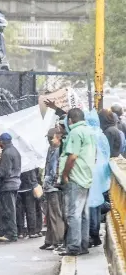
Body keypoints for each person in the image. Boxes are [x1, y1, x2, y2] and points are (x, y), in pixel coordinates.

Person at [58, 108, 96, 256]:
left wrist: (65, 175)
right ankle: (83, 245)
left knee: (74, 214)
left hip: (76, 177)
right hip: (87, 176)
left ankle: (74, 247)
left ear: (70, 120)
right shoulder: (90, 131)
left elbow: (72, 156)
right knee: (84, 213)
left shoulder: (75, 132)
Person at [85, 110, 111, 248]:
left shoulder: (88, 135)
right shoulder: (101, 136)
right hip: (100, 175)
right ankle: (94, 235)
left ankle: (92, 234)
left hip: (90, 173)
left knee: (90, 206)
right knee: (95, 205)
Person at [39, 128, 65, 251]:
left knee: (56, 215)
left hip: (54, 187)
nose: (49, 140)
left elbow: (56, 170)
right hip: (48, 186)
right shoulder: (51, 149)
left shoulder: (59, 150)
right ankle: (49, 240)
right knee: (49, 215)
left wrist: (51, 182)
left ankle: (58, 240)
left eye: (51, 137)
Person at [0, 133, 21, 243]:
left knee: (9, 210)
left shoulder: (6, 153)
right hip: (15, 183)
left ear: (2, 142)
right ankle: (12, 232)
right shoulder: (15, 150)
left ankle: (11, 233)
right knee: (12, 208)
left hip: (8, 184)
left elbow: (3, 171)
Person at [16, 169, 39, 238]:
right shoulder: (30, 163)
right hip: (29, 186)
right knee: (30, 210)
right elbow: (35, 173)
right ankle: (32, 231)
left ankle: (20, 231)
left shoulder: (17, 159)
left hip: (18, 186)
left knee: (19, 211)